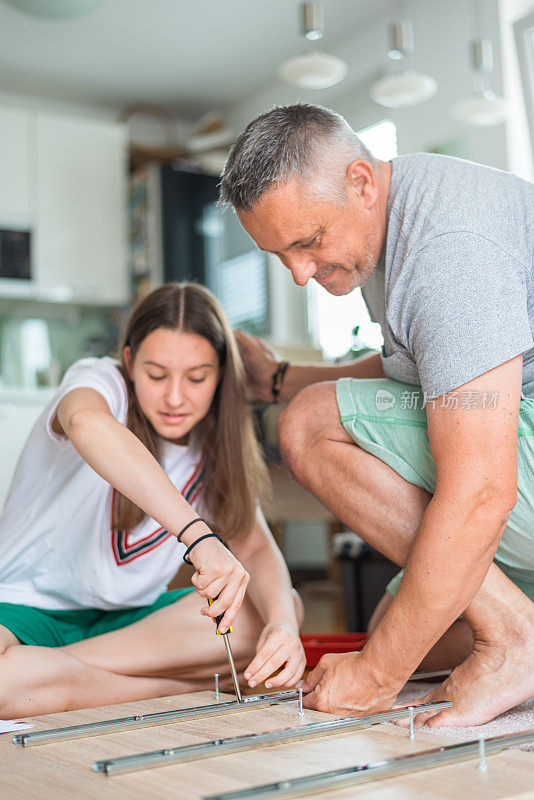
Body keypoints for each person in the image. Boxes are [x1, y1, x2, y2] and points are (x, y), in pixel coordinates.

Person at [219, 102, 534, 728]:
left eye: (308, 243)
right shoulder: (396, 213)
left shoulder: (446, 252)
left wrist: (375, 677)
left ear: (361, 182)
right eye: (280, 255)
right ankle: (507, 631)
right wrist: (279, 379)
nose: (301, 274)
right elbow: (429, 374)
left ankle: (517, 641)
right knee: (407, 633)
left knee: (311, 425)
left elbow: (481, 492)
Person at [0, 283, 304, 719]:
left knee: (279, 608)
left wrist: (283, 628)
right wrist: (200, 537)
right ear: (129, 363)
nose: (175, 397)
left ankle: (55, 673)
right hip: (20, 609)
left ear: (220, 374)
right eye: (157, 375)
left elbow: (255, 549)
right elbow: (85, 421)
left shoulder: (216, 444)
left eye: (197, 378)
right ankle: (173, 689)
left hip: (129, 629)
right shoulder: (98, 381)